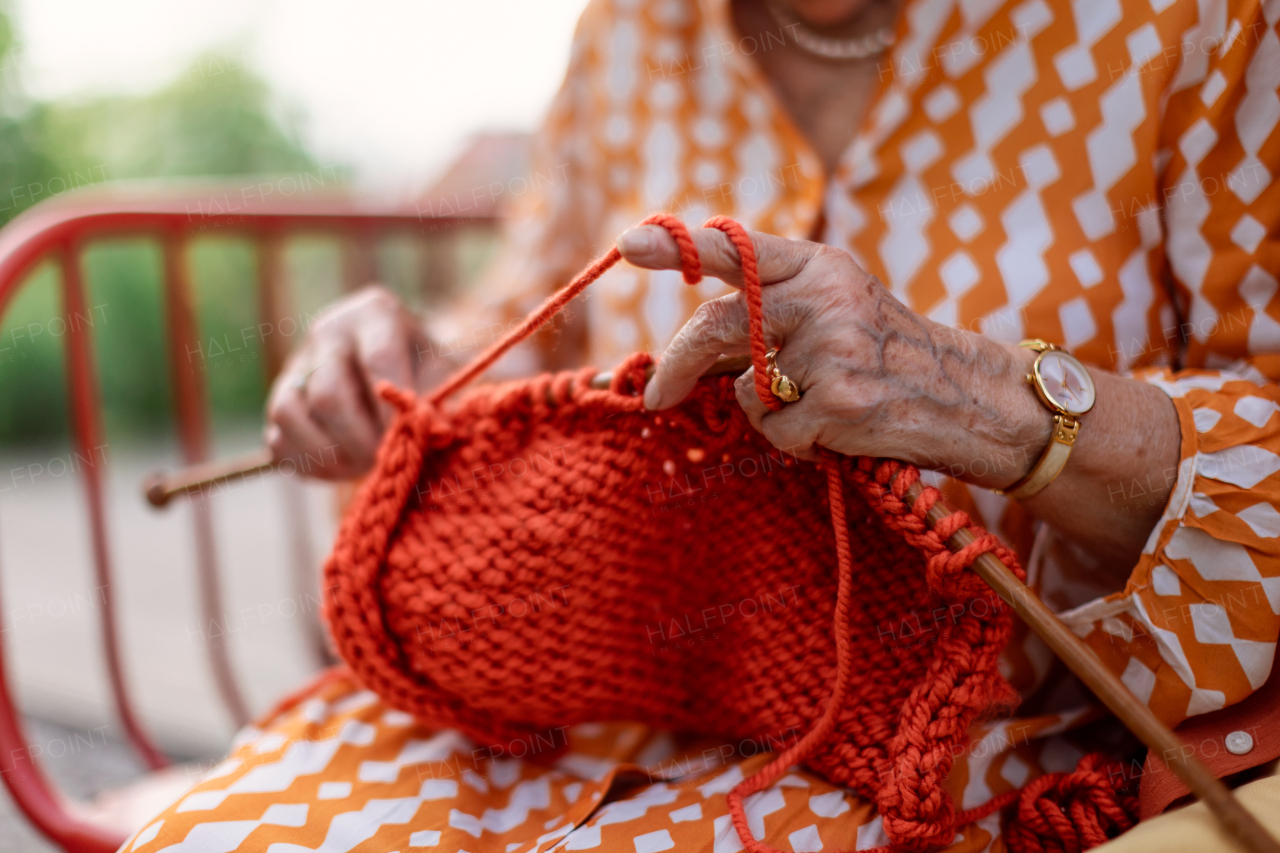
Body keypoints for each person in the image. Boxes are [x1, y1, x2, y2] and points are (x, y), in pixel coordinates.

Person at [128, 0, 1280, 850]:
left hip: (974, 747)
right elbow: (521, 320)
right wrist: (422, 376)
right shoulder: (627, 36)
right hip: (559, 700)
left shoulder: (1195, 26)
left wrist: (984, 400)